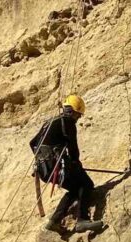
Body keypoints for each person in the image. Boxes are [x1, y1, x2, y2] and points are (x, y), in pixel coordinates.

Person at [30, 95, 104, 234]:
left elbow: (33, 143)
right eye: (78, 115)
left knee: (75, 189)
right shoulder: (67, 122)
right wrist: (76, 164)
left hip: (44, 170)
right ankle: (82, 220)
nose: (78, 118)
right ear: (73, 112)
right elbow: (73, 148)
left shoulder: (49, 122)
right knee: (86, 184)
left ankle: (54, 221)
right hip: (55, 166)